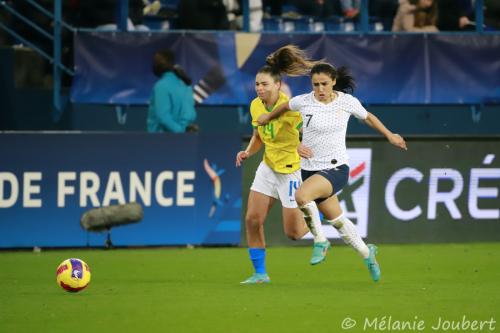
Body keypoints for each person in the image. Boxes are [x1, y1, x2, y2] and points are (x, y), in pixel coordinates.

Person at [258, 48, 408, 282]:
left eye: (324, 84)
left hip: (336, 168)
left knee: (301, 196)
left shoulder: (346, 102)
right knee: (338, 221)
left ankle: (320, 241)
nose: (319, 90)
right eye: (316, 84)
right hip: (309, 170)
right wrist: (269, 118)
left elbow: (368, 117)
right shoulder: (303, 101)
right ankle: (368, 254)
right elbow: (284, 109)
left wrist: (390, 135)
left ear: (334, 82)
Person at [236, 46, 330, 284]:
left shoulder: (291, 109)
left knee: (294, 233)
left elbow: (308, 135)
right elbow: (259, 136)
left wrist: (300, 143)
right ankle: (260, 274)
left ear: (278, 85)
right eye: (257, 83)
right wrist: (247, 152)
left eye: (265, 84)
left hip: (290, 171)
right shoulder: (255, 106)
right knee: (252, 219)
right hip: (268, 166)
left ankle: (317, 210)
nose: (260, 88)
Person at [147, 49, 197, 133]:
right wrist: (184, 130)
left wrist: (179, 131)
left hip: (161, 141)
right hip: (186, 139)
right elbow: (191, 114)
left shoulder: (161, 86)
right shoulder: (185, 84)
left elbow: (162, 116)